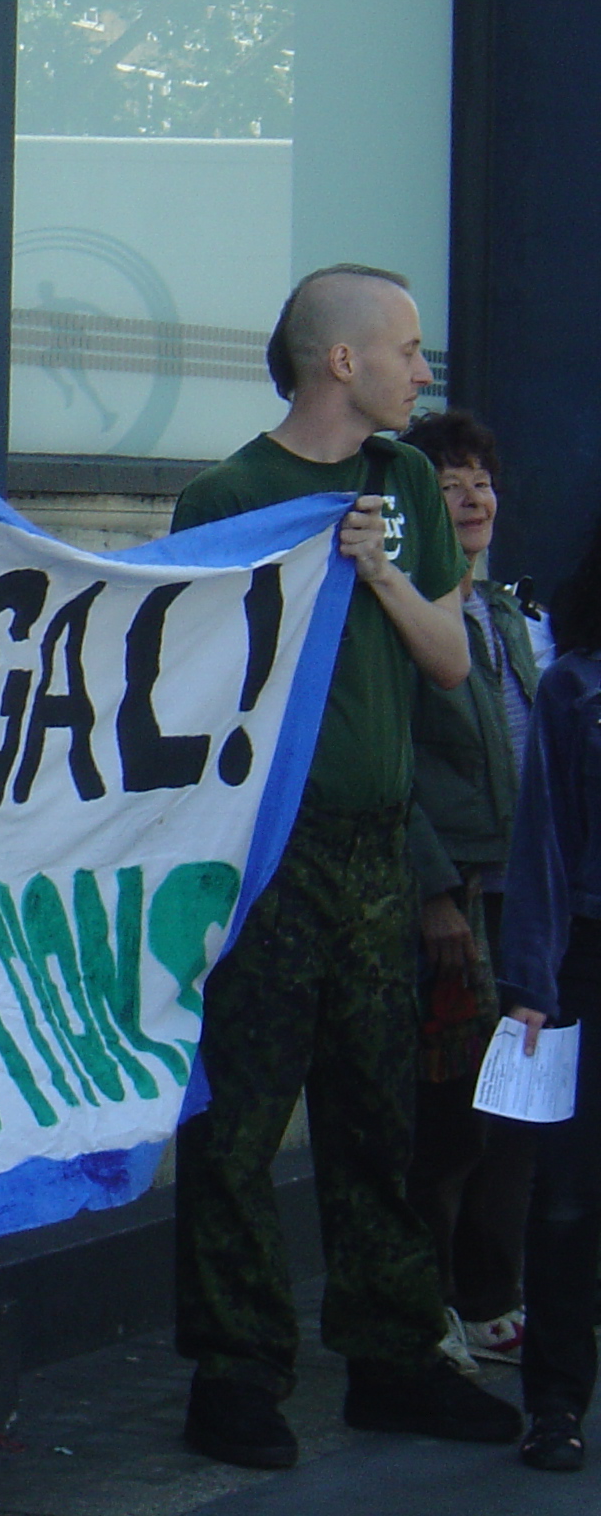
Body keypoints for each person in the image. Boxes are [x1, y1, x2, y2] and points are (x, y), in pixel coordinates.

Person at [170, 264, 518, 1467]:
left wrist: (373, 570)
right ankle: (235, 1374)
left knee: (380, 1118)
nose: (425, 371)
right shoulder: (229, 492)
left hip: (377, 847)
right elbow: (187, 676)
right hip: (267, 853)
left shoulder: (406, 479)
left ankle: (391, 1354)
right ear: (342, 363)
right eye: (409, 349)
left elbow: (448, 658)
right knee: (239, 1128)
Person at [401, 409, 544, 1373]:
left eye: (481, 479)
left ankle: (495, 1293)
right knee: (445, 1116)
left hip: (521, 903)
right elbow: (393, 764)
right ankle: (426, 1303)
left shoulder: (509, 618)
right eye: (448, 481)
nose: (472, 496)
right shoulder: (407, 617)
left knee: (517, 1115)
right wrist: (434, 891)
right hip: (452, 903)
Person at [500, 508, 601, 1470]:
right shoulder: (575, 688)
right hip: (588, 969)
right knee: (568, 1198)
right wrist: (530, 983)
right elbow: (543, 848)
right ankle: (557, 1403)